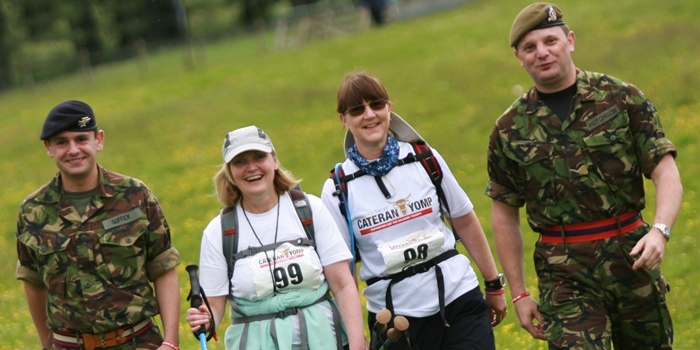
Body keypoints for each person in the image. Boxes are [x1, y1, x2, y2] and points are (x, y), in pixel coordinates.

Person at [486, 3, 681, 349]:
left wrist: (660, 231)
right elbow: (504, 214)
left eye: (550, 41)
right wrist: (519, 293)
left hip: (632, 257)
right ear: (518, 56)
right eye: (530, 48)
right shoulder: (508, 130)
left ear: (570, 40)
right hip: (564, 271)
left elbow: (665, 171)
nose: (542, 53)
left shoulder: (622, 98)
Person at [321, 72, 507, 350]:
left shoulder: (423, 157)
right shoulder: (338, 188)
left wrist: (493, 284)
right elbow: (340, 274)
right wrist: (355, 337)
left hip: (459, 298)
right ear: (344, 119)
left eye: (377, 104)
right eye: (357, 109)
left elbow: (464, 221)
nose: (369, 114)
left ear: (389, 108)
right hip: (395, 320)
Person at [15, 100, 181, 350]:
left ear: (98, 140)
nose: (73, 150)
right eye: (62, 142)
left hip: (138, 341)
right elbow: (33, 281)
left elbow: (163, 265)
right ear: (48, 148)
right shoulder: (33, 211)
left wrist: (170, 341)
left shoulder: (135, 196)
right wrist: (46, 345)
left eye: (81, 139)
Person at [186, 125, 366, 350]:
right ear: (229, 172)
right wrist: (206, 318)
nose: (251, 167)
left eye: (259, 157)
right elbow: (213, 305)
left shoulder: (309, 209)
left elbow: (343, 284)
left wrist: (358, 342)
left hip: (325, 340)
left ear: (274, 161)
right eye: (239, 162)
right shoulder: (219, 231)